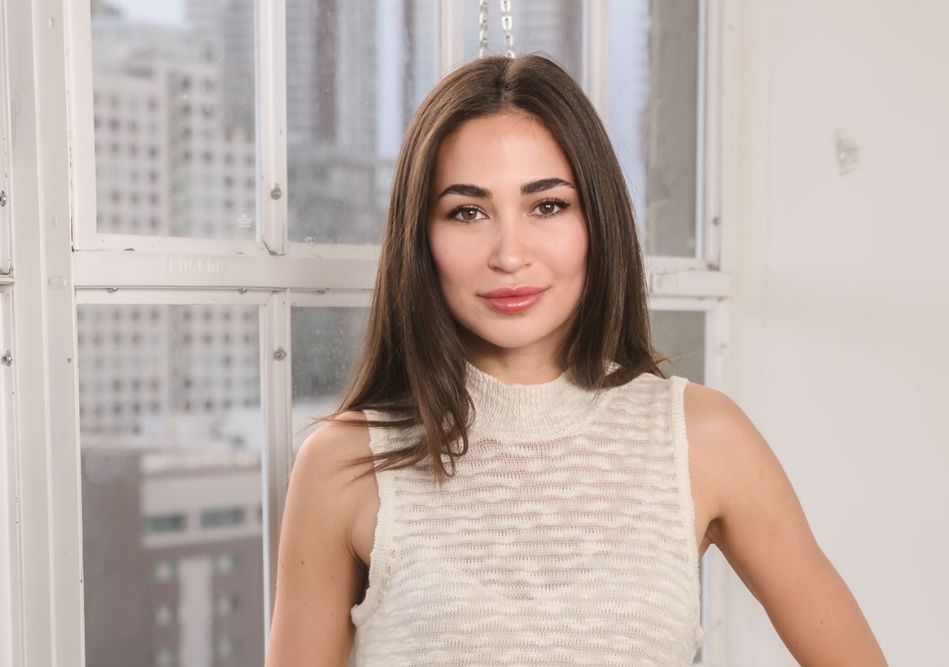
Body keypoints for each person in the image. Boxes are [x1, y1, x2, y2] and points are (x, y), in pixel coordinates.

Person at [264, 55, 887, 667]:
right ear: (421, 238)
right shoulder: (342, 463)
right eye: (468, 211)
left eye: (548, 205)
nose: (510, 253)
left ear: (598, 219)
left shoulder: (704, 439)